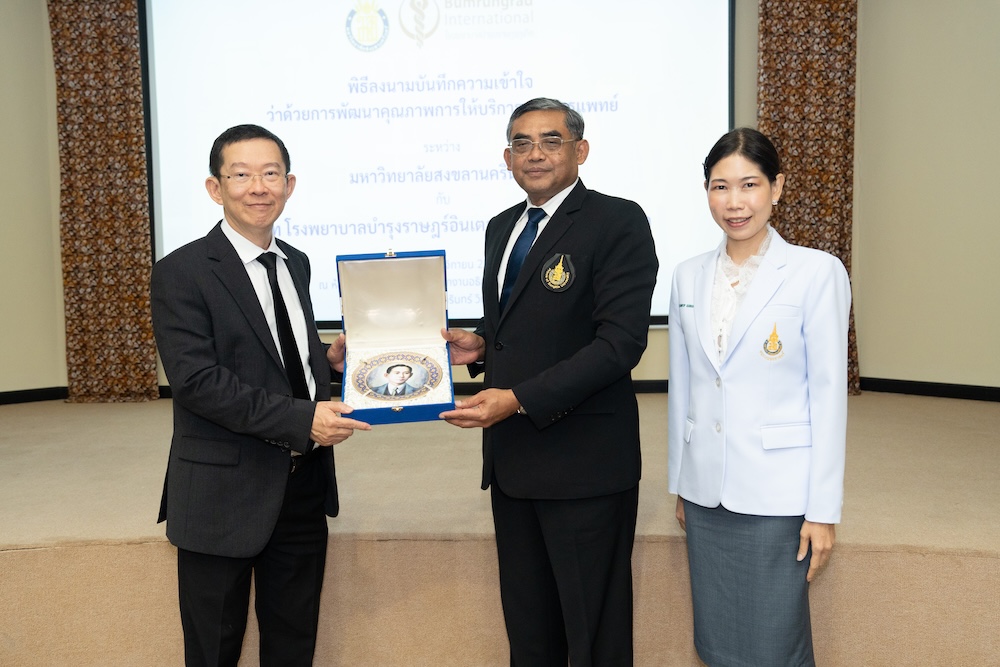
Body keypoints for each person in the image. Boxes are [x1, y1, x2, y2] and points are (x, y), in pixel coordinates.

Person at [440, 97, 658, 666]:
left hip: (584, 463)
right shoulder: (501, 227)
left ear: (580, 150)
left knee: (592, 634)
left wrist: (518, 399)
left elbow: (619, 344)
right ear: (507, 157)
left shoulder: (617, 221)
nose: (534, 154)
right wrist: (480, 343)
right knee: (530, 629)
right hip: (512, 464)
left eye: (550, 141)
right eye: (522, 143)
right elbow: (521, 321)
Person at [150, 124, 371, 666]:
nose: (258, 187)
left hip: (302, 485)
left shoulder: (296, 261)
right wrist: (302, 420)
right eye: (241, 175)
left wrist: (328, 362)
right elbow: (198, 383)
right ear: (215, 188)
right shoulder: (181, 272)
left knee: (293, 644)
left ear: (289, 185)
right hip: (222, 493)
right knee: (213, 651)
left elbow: (276, 353)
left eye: (271, 174)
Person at [667, 127, 851, 666]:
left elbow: (829, 397)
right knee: (717, 640)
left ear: (777, 187)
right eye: (720, 187)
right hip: (707, 493)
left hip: (778, 492)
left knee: (774, 640)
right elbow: (685, 387)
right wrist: (683, 482)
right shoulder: (687, 276)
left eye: (749, 185)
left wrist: (823, 509)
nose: (734, 202)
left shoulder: (816, 272)